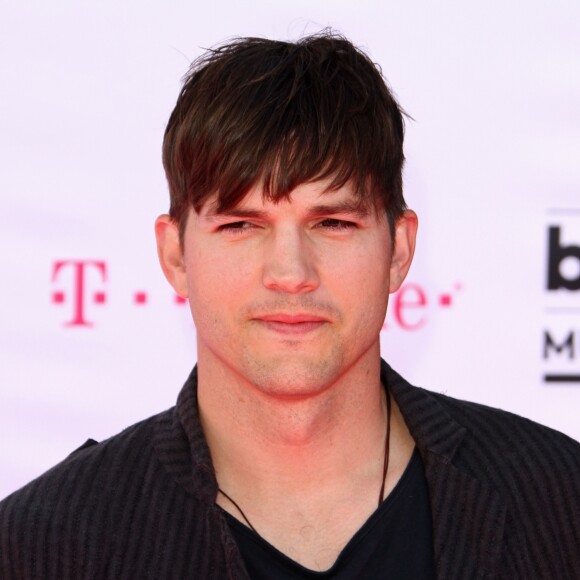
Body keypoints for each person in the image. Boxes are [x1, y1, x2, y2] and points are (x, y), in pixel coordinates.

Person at [1, 32, 579, 580]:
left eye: (332, 222)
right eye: (240, 224)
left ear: (399, 250)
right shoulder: (41, 544)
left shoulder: (559, 500)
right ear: (175, 254)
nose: (291, 274)